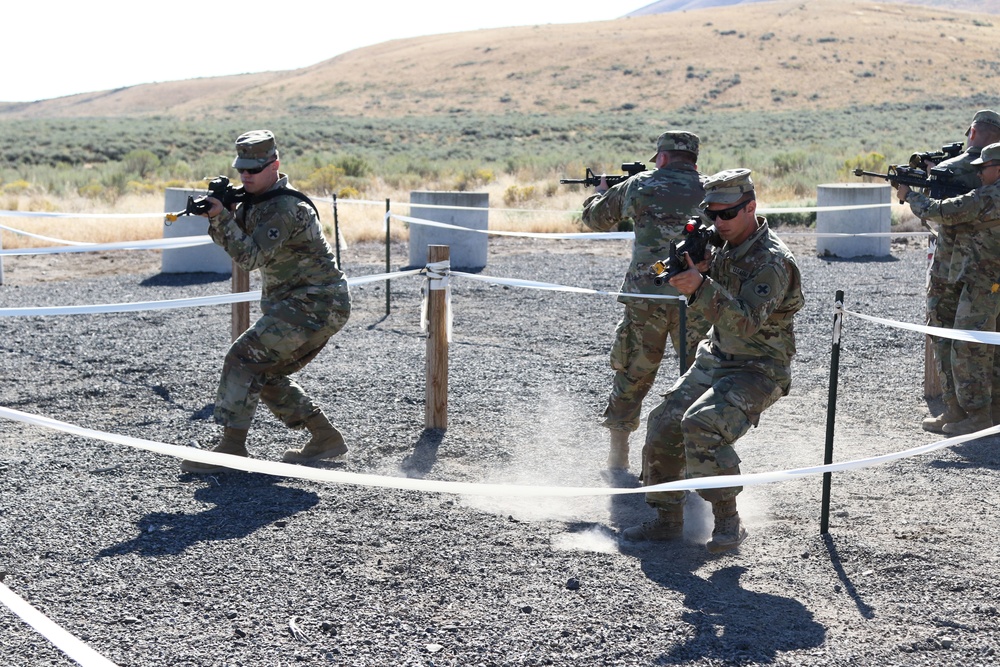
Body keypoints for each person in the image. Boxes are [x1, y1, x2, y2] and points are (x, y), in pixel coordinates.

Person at [623, 169, 804, 554]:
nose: (718, 222)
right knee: (664, 422)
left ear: (751, 207)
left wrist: (701, 288)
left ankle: (728, 522)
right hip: (718, 355)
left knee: (702, 424)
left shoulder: (771, 262)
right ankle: (667, 518)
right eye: (713, 213)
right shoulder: (720, 242)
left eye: (727, 214)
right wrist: (698, 270)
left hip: (760, 367)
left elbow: (747, 322)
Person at [180, 130, 352, 473]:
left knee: (244, 357)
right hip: (306, 304)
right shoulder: (258, 203)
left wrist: (221, 218)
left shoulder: (285, 208)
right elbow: (240, 242)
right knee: (266, 372)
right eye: (242, 169)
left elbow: (249, 257)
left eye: (254, 170)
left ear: (274, 165)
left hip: (316, 303)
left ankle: (231, 449)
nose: (246, 176)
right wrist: (223, 213)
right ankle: (324, 438)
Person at [581, 131, 711, 471]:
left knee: (633, 374)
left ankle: (618, 457)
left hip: (647, 296)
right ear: (694, 160)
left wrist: (602, 192)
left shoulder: (639, 185)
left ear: (663, 157)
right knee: (701, 374)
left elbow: (596, 219)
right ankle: (695, 459)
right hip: (696, 297)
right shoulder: (713, 190)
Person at [898, 140, 1000, 436]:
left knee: (968, 347)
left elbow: (939, 211)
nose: (979, 174)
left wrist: (910, 196)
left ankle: (979, 416)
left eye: (985, 169)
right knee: (976, 344)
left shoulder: (989, 197)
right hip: (983, 280)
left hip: (985, 282)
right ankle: (968, 411)